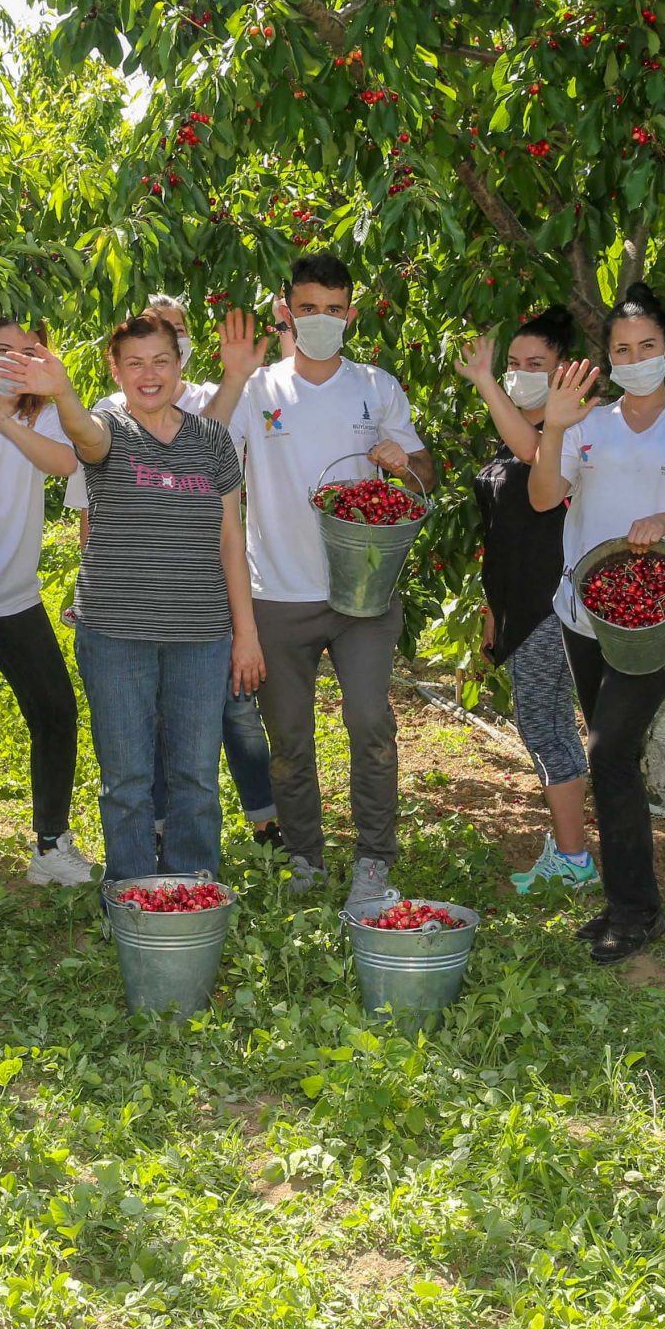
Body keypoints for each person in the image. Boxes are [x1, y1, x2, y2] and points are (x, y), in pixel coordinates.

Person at [210, 255, 432, 911]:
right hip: (277, 592)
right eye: (308, 308)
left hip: (361, 593)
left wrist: (403, 459)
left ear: (351, 314)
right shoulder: (259, 390)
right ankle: (304, 855)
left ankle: (374, 859)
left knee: (370, 723)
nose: (321, 320)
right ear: (286, 311)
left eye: (334, 309)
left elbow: (424, 468)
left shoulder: (375, 386)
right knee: (289, 739)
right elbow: (207, 457)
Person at [529, 284, 665, 963]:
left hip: (661, 614)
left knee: (609, 750)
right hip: (590, 610)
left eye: (648, 345)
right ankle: (630, 901)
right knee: (613, 758)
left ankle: (634, 908)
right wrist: (556, 425)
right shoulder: (588, 422)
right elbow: (543, 496)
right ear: (609, 359)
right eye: (623, 349)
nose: (636, 356)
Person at [31, 316, 262, 885]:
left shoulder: (212, 441)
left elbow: (231, 541)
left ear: (179, 364)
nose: (149, 374)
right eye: (134, 363)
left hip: (202, 636)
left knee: (196, 778)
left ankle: (190, 890)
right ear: (116, 370)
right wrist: (62, 392)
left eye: (161, 361)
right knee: (128, 780)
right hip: (116, 634)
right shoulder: (108, 429)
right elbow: (85, 435)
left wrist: (246, 633)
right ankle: (132, 892)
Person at [0, 322, 93, 888]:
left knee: (55, 711)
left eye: (26, 352)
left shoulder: (43, 414)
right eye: (0, 350)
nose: (11, 360)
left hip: (11, 596)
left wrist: (1, 418)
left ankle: (51, 843)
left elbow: (64, 465)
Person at [458, 309, 597, 893]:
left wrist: (486, 383)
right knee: (543, 723)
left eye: (533, 365)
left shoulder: (575, 434)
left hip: (555, 606)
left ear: (564, 370)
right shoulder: (510, 432)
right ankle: (571, 850)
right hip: (520, 607)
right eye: (512, 365)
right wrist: (493, 607)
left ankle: (575, 858)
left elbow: (541, 470)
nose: (519, 374)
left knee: (546, 725)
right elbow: (503, 531)